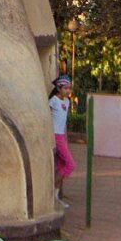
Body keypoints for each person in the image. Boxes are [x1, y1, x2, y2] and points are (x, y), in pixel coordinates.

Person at [49, 75, 75, 208]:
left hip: (62, 136)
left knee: (61, 166)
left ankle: (55, 197)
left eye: (69, 88)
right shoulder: (53, 100)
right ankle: (50, 195)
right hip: (55, 136)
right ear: (59, 88)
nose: (68, 91)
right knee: (70, 165)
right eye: (66, 88)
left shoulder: (66, 101)